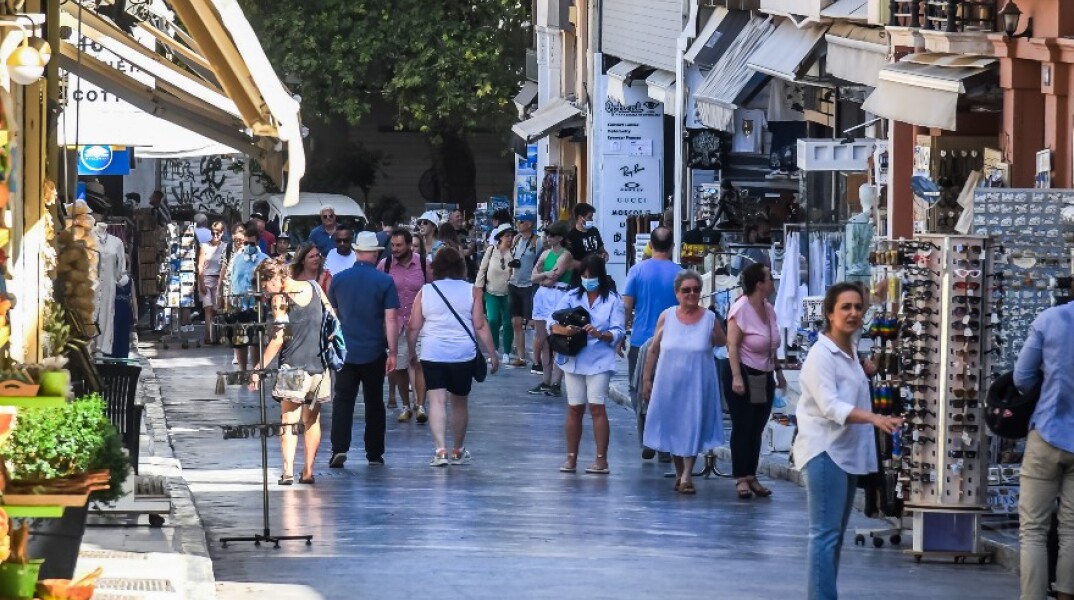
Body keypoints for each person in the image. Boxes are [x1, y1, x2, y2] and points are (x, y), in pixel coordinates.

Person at [794, 282, 902, 600]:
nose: (853, 313)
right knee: (824, 535)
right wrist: (873, 418)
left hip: (846, 452)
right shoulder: (821, 355)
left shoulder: (850, 351)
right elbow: (830, 406)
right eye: (845, 307)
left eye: (858, 307)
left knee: (834, 536)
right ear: (830, 313)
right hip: (824, 451)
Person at [406, 247, 500, 466]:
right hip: (462, 354)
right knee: (459, 403)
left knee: (436, 401)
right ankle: (457, 450)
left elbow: (413, 327)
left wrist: (411, 352)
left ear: (436, 268)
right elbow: (480, 324)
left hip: (432, 352)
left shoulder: (425, 292)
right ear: (460, 267)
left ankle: (440, 451)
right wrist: (492, 353)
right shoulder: (473, 291)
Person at [640, 270, 727, 494]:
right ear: (677, 293)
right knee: (674, 428)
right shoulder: (666, 316)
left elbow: (721, 341)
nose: (691, 294)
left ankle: (688, 474)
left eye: (696, 289)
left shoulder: (709, 318)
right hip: (668, 384)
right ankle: (680, 473)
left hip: (697, 384)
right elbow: (654, 350)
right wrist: (646, 379)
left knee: (692, 426)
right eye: (686, 290)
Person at [250, 258, 334, 485]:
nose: (266, 293)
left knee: (289, 419)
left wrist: (259, 368)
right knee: (313, 421)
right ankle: (308, 471)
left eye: (265, 286)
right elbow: (332, 319)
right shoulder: (315, 288)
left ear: (275, 278)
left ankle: (287, 471)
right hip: (319, 367)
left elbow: (278, 338)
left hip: (293, 368)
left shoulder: (280, 299)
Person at [1014, 299, 1074, 600]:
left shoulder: (1050, 319)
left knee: (1033, 529)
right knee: (1072, 529)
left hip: (1048, 432)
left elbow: (1021, 377)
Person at [327, 231, 400, 468]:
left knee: (343, 400)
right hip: (374, 350)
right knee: (374, 401)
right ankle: (374, 453)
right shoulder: (385, 281)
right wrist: (394, 352)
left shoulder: (338, 279)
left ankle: (339, 448)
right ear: (375, 254)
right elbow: (390, 320)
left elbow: (333, 316)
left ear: (357, 252)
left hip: (346, 349)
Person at [552, 255, 625, 475]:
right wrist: (565, 330)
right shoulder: (572, 296)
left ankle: (601, 459)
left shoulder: (613, 300)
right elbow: (552, 321)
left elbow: (618, 330)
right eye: (583, 276)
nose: (587, 279)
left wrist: (600, 334)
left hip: (600, 358)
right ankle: (571, 457)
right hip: (574, 357)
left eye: (591, 276)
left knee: (597, 406)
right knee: (574, 407)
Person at [725, 262, 785, 499]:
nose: (773, 281)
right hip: (743, 372)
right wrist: (737, 377)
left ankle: (752, 474)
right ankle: (740, 476)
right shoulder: (740, 309)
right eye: (769, 278)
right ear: (759, 284)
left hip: (765, 373)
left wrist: (778, 371)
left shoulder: (768, 308)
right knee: (743, 426)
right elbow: (732, 346)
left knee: (758, 426)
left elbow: (772, 341)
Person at [623, 226, 680, 459]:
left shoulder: (636, 271)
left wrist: (620, 333)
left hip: (640, 340)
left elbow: (627, 306)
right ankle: (665, 442)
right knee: (668, 391)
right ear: (672, 247)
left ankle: (647, 438)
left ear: (651, 246)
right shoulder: (680, 273)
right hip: (672, 340)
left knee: (640, 389)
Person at [379, 228, 430, 423]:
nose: (395, 249)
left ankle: (420, 405)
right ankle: (405, 405)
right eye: (393, 245)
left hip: (421, 322)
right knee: (400, 366)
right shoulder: (386, 265)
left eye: (399, 245)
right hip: (397, 322)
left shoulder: (425, 264)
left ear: (410, 245)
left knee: (419, 363)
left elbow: (434, 289)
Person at [529, 221, 573, 396]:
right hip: (542, 296)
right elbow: (533, 277)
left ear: (560, 237)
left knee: (558, 340)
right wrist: (544, 275)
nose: (549, 237)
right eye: (548, 234)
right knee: (543, 340)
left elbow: (554, 277)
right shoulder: (545, 253)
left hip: (558, 295)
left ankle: (556, 382)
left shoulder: (566, 255)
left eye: (552, 235)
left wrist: (543, 275)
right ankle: (546, 381)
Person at [224, 224, 269, 371]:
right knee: (240, 339)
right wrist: (227, 301)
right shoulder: (237, 258)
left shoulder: (265, 260)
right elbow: (231, 279)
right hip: (238, 303)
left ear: (257, 242)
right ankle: (243, 370)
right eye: (246, 243)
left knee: (255, 340)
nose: (248, 246)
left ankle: (256, 370)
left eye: (252, 243)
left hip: (257, 304)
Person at [476, 223, 515, 361]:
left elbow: (518, 271)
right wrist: (478, 288)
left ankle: (507, 352)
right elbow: (482, 269)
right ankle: (494, 350)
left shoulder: (514, 252)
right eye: (507, 236)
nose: (509, 238)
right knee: (492, 320)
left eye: (511, 236)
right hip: (491, 291)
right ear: (500, 237)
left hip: (508, 292)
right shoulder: (491, 250)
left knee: (507, 322)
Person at [507, 213, 541, 369]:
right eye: (517, 221)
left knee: (533, 322)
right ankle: (521, 357)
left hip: (529, 285)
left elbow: (542, 261)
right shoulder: (516, 240)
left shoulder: (537, 241)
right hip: (514, 284)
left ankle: (537, 358)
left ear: (530, 224)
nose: (518, 224)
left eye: (521, 221)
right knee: (516, 322)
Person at [197, 220, 226, 345]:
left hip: (218, 279)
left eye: (218, 233)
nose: (215, 236)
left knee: (216, 309)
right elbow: (200, 265)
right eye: (213, 233)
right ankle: (207, 336)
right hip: (206, 278)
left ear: (222, 233)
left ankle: (215, 335)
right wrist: (201, 281)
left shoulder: (225, 247)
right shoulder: (205, 246)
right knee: (208, 308)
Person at [565, 203, 609, 268]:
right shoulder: (571, 236)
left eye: (592, 217)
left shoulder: (594, 231)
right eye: (589, 217)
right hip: (580, 274)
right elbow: (569, 260)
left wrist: (605, 255)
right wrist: (586, 267)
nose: (592, 220)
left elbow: (601, 249)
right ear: (580, 218)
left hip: (598, 272)